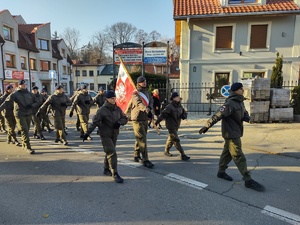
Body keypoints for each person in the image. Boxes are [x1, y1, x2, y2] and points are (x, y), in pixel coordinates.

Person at [199, 82, 265, 192]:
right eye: (241, 89)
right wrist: (206, 126)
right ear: (236, 91)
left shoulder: (240, 102)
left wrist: (248, 118)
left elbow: (244, 113)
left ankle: (221, 172)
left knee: (227, 152)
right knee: (238, 155)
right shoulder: (230, 103)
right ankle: (248, 179)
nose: (243, 90)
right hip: (230, 133)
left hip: (236, 131)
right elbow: (217, 115)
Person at [83, 90, 128, 183]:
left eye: (114, 98)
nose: (114, 100)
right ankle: (115, 173)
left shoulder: (117, 108)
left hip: (114, 133)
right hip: (105, 134)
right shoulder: (101, 110)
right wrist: (87, 133)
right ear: (107, 99)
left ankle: (106, 168)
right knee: (112, 152)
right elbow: (94, 122)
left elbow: (125, 118)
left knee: (109, 152)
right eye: (112, 98)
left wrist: (119, 123)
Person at [0, 80, 39, 154]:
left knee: (26, 130)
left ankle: (24, 144)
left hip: (28, 113)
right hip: (19, 114)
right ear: (19, 85)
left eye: (25, 84)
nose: (24, 85)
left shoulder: (30, 94)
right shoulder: (15, 94)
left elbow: (36, 101)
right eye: (22, 84)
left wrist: (32, 106)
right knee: (24, 129)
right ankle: (28, 147)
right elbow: (6, 103)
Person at [155, 92, 190, 160]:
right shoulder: (169, 107)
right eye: (177, 97)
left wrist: (184, 116)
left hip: (176, 125)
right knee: (176, 139)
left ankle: (166, 151)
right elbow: (163, 115)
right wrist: (157, 122)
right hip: (170, 125)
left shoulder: (180, 106)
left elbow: (184, 113)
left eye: (178, 97)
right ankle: (182, 154)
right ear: (173, 98)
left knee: (171, 139)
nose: (178, 98)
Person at [129, 76, 154, 168]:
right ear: (138, 83)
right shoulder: (135, 93)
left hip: (144, 118)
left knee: (140, 137)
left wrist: (150, 109)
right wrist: (146, 109)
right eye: (142, 82)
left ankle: (136, 155)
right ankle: (145, 159)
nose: (144, 83)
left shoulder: (146, 92)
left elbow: (150, 101)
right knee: (142, 139)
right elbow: (139, 103)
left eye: (145, 81)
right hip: (137, 118)